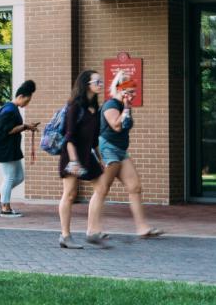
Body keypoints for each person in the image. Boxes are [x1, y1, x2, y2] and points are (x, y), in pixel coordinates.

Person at [90, 72, 163, 238]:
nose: (132, 94)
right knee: (102, 188)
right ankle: (93, 229)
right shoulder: (111, 105)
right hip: (108, 148)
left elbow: (126, 124)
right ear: (119, 90)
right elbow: (117, 126)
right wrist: (126, 107)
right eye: (129, 91)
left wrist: (127, 106)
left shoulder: (123, 105)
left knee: (135, 187)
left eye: (133, 91)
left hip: (121, 150)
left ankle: (142, 228)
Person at [58, 70, 107, 249]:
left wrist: (100, 159)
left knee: (101, 187)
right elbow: (68, 136)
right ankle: (65, 235)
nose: (100, 84)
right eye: (97, 81)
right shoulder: (74, 107)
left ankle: (92, 231)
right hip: (72, 154)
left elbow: (94, 140)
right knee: (70, 194)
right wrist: (74, 161)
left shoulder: (95, 109)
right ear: (87, 84)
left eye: (101, 82)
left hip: (88, 154)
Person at [0, 80, 38, 218]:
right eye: (27, 100)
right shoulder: (9, 110)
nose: (27, 103)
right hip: (5, 149)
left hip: (12, 149)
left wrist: (26, 126)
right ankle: (5, 208)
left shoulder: (11, 108)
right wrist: (26, 126)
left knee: (19, 177)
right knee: (9, 177)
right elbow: (8, 130)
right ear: (21, 96)